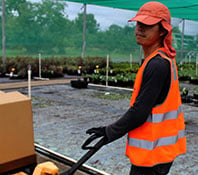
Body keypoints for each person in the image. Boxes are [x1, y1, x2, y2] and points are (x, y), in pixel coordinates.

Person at [83, 1, 186, 175]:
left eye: (147, 25)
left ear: (162, 31)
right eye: (139, 23)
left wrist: (109, 132)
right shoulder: (157, 60)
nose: (140, 29)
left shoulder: (157, 65)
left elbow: (139, 112)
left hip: (154, 153)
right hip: (158, 150)